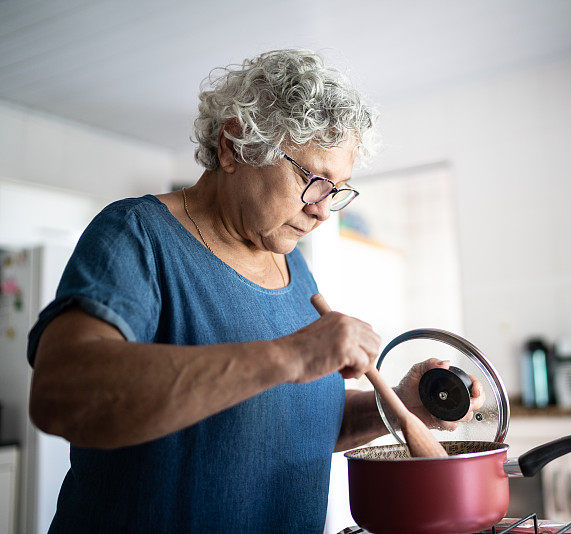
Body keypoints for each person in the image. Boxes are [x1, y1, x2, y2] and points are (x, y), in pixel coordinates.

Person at [26, 49, 483, 533]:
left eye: (339, 188)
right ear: (233, 147)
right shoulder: (136, 234)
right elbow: (62, 394)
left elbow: (294, 426)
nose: (323, 210)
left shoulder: (294, 267)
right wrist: (289, 355)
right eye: (312, 179)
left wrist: (401, 402)